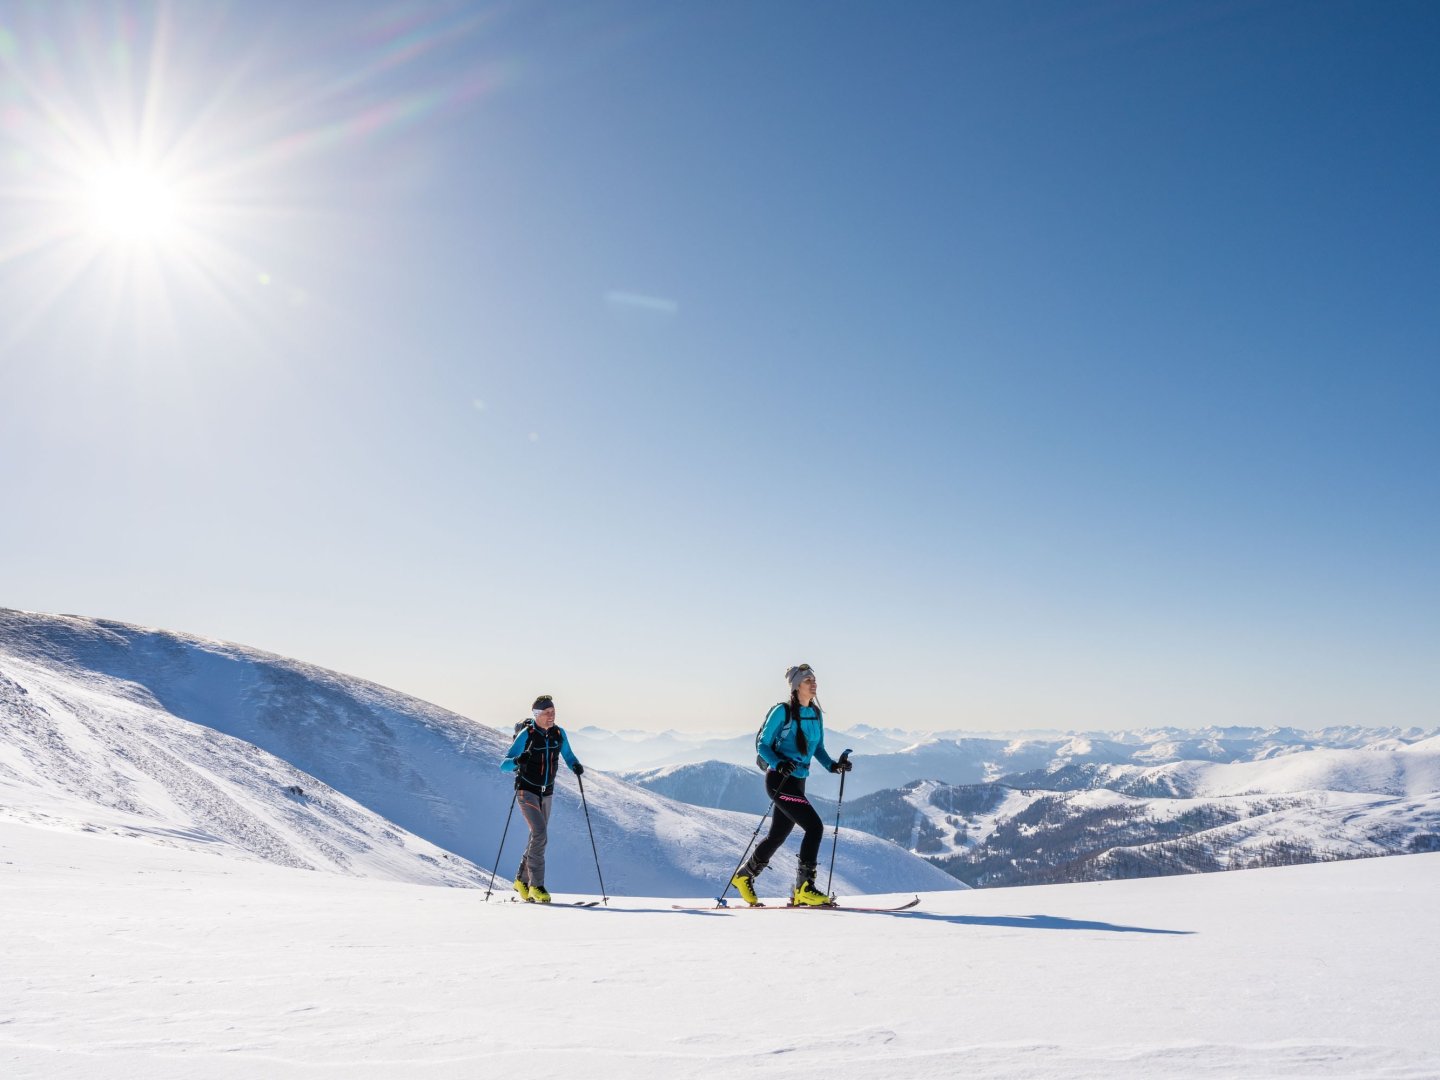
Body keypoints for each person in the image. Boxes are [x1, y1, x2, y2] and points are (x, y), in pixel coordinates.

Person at [732, 663, 853, 907]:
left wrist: (833, 766)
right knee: (814, 827)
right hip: (779, 780)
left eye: (814, 679)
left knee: (777, 835)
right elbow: (762, 745)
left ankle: (744, 876)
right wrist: (778, 762)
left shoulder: (816, 714)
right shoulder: (783, 711)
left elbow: (817, 748)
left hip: (798, 782)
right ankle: (804, 888)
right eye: (808, 680)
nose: (814, 683)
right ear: (797, 686)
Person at [500, 694, 583, 903]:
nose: (551, 716)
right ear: (537, 714)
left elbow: (569, 755)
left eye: (553, 712)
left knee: (537, 837)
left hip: (547, 792)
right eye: (547, 713)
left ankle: (521, 880)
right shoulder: (527, 735)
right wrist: (519, 760)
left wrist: (575, 765)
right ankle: (536, 886)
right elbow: (504, 765)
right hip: (526, 791)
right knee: (540, 833)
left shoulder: (558, 733)